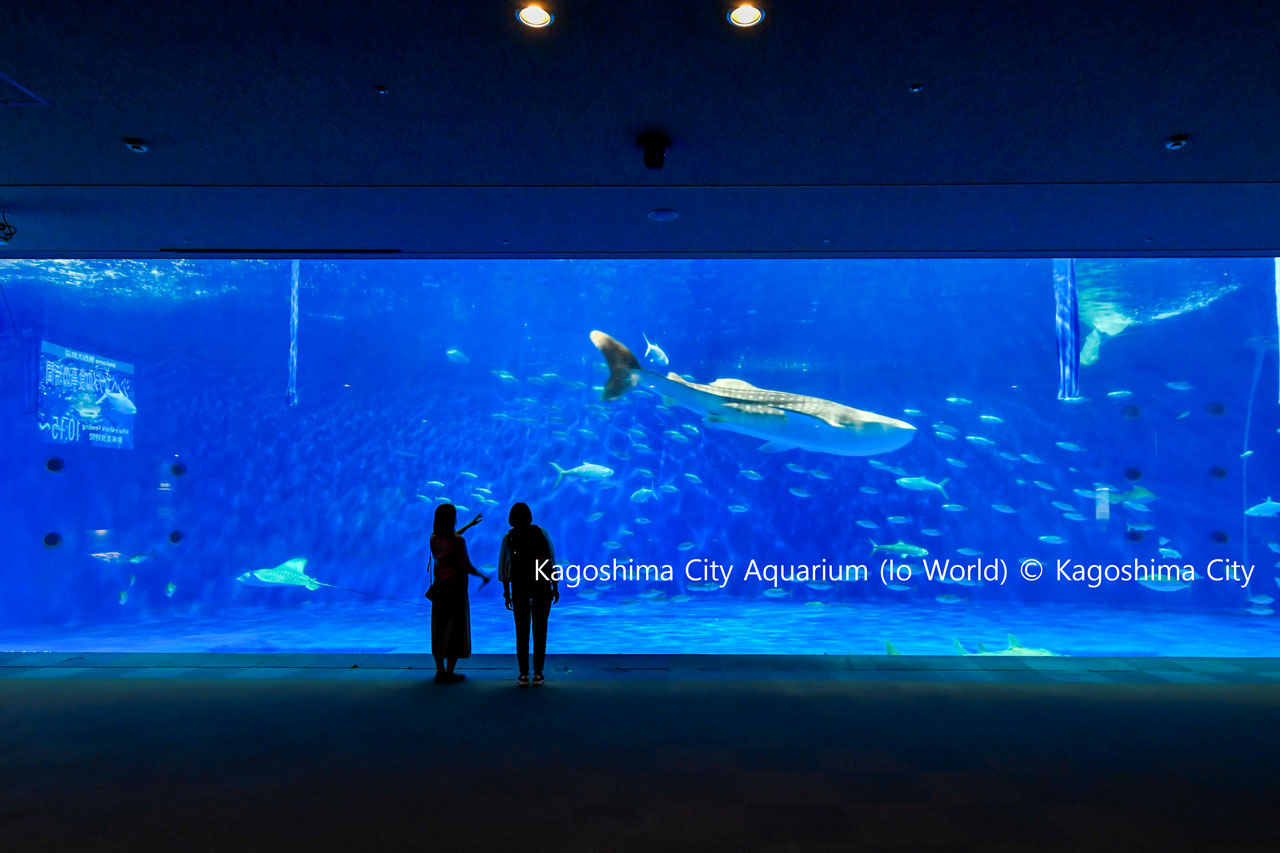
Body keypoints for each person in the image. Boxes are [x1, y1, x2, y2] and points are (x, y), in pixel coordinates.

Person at [498, 502, 558, 686]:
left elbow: (504, 567)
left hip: (519, 588)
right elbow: (551, 560)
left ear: (511, 518)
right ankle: (538, 673)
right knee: (540, 630)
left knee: (521, 631)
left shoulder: (508, 538)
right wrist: (555, 586)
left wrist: (506, 593)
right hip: (542, 586)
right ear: (529, 516)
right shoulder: (542, 533)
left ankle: (523, 674)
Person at [429, 503, 490, 684]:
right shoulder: (458, 542)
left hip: (439, 590)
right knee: (455, 630)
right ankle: (449, 672)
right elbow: (467, 565)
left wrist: (469, 525)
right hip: (455, 590)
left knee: (439, 630)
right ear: (452, 519)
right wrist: (483, 576)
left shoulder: (433, 538)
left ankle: (440, 671)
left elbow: (450, 540)